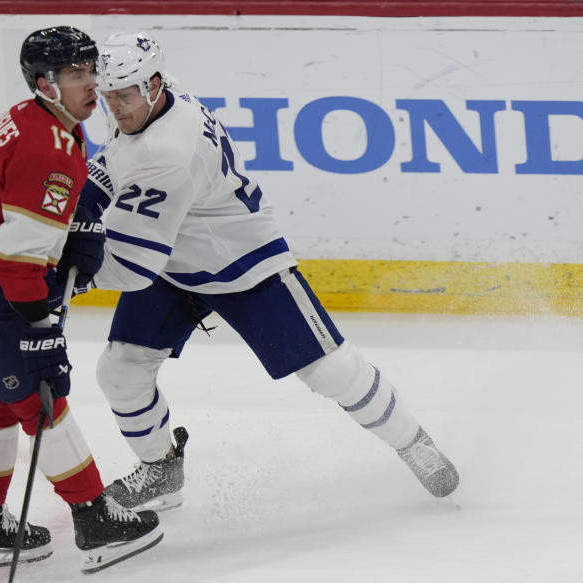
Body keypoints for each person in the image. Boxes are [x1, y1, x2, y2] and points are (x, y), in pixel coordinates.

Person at [74, 31, 459, 513]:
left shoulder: (167, 152)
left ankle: (413, 442)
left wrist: (62, 280)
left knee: (332, 370)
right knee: (121, 369)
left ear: (153, 85)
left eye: (125, 95)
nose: (116, 108)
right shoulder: (156, 96)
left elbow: (131, 265)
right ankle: (162, 470)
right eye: (107, 96)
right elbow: (115, 167)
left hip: (242, 261)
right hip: (174, 259)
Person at [0, 26, 163, 574]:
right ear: (45, 83)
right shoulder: (49, 149)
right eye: (77, 75)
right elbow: (16, 263)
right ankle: (95, 520)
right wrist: (40, 321)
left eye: (92, 71)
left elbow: (13, 209)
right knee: (43, 404)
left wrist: (75, 224)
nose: (92, 85)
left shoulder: (36, 119)